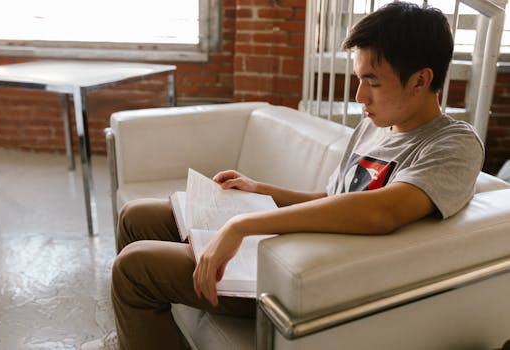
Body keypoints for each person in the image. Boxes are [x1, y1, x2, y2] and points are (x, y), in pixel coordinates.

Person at [80, 2, 484, 349]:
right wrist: (259, 190)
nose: (359, 96)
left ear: (421, 80)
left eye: (372, 82)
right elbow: (334, 202)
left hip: (301, 278)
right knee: (136, 216)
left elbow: (381, 211)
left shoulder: (452, 145)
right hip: (281, 248)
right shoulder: (377, 123)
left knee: (134, 267)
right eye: (359, 78)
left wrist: (242, 224)